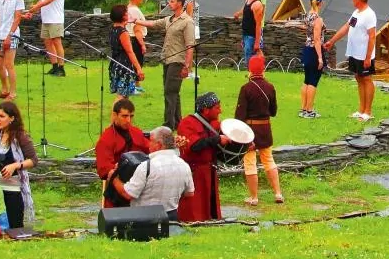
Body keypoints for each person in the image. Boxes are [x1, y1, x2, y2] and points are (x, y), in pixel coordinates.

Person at [137, 0, 195, 129]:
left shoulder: (187, 21)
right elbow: (153, 24)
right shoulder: (169, 19)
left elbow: (190, 46)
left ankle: (168, 124)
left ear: (180, 3)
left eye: (172, 1)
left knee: (170, 92)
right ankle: (177, 122)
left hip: (178, 61)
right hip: (168, 59)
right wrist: (136, 21)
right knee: (173, 91)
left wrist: (187, 66)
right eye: (169, 1)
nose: (169, 4)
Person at [117, 126, 194, 222]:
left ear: (159, 145)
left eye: (151, 141)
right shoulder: (184, 165)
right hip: (171, 216)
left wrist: (114, 178)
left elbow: (128, 194)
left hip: (144, 218)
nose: (148, 144)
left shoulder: (146, 166)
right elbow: (189, 193)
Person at [235, 55, 283, 205]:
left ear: (249, 69)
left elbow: (240, 115)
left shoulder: (246, 88)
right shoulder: (270, 87)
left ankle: (254, 197)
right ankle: (278, 193)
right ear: (263, 69)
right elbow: (273, 111)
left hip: (249, 130)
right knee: (269, 160)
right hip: (265, 128)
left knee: (250, 162)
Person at [324, 0, 377, 121]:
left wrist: (368, 57)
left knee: (367, 79)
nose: (352, 0)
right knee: (359, 78)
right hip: (355, 53)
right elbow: (347, 27)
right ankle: (361, 110)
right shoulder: (356, 13)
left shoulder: (369, 15)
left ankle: (368, 111)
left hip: (364, 54)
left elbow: (372, 37)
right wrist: (332, 41)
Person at [177, 92, 229, 222]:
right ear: (206, 110)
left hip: (209, 170)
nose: (220, 111)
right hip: (195, 171)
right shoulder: (187, 123)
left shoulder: (214, 124)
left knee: (210, 204)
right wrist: (217, 139)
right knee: (195, 205)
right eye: (217, 108)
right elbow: (194, 146)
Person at [0, 101, 37, 228]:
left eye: (2, 116)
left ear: (12, 118)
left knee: (14, 226)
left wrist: (15, 165)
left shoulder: (20, 137)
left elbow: (33, 160)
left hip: (14, 191)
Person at [95, 98, 150, 208]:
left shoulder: (136, 132)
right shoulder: (106, 139)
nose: (128, 120)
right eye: (124, 116)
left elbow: (150, 149)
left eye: (131, 116)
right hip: (116, 188)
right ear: (115, 115)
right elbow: (104, 168)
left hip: (138, 185)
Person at [23, 0, 66, 77]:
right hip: (46, 18)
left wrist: (36, 7)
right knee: (47, 42)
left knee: (57, 41)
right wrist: (32, 10)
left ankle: (61, 68)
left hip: (55, 18)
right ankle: (54, 66)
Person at [108, 5, 144, 98]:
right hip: (124, 66)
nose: (128, 14)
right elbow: (130, 52)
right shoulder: (123, 32)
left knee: (124, 96)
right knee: (121, 97)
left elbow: (121, 24)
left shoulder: (113, 29)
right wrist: (139, 68)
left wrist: (129, 21)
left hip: (115, 64)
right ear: (123, 16)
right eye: (126, 13)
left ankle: (121, 112)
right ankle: (115, 113)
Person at [299, 0, 326, 118]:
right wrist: (320, 57)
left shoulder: (308, 16)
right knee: (313, 81)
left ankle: (303, 108)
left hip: (307, 49)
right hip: (314, 51)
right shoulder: (318, 19)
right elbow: (316, 39)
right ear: (320, 3)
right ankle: (309, 110)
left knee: (306, 80)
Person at [238, 0, 264, 65]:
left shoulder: (257, 4)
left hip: (251, 37)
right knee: (248, 60)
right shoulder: (247, 1)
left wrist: (257, 43)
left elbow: (258, 24)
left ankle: (253, 77)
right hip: (246, 36)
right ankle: (251, 77)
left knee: (251, 62)